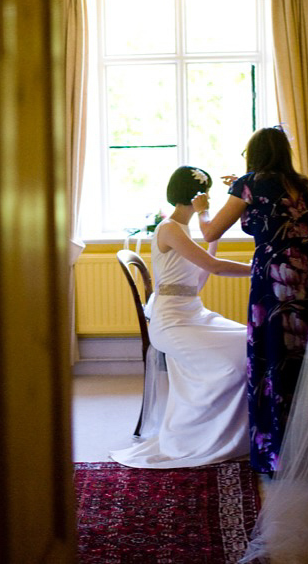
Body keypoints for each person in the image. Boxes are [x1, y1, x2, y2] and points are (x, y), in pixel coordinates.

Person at [110, 165, 252, 469]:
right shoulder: (170, 228)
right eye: (207, 193)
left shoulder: (183, 231)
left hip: (193, 313)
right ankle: (195, 436)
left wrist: (211, 241)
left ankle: (229, 434)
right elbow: (215, 268)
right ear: (198, 195)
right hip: (171, 321)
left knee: (248, 343)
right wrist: (258, 268)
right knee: (230, 365)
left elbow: (198, 282)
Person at [197, 126, 308, 474]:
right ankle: (305, 447)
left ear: (254, 155)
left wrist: (203, 208)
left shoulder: (249, 184)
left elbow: (210, 232)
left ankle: (274, 454)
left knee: (270, 353)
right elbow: (276, 208)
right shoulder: (300, 185)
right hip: (306, 270)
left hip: (274, 273)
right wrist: (241, 186)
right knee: (299, 352)